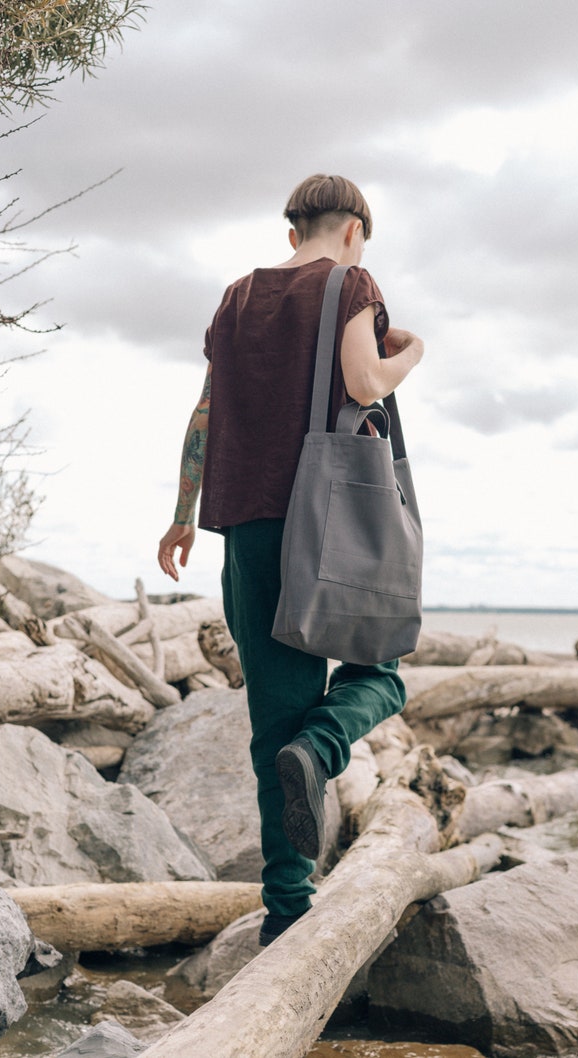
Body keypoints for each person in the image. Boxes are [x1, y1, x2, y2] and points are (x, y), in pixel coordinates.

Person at [158, 174, 424, 946]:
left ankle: (286, 915)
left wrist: (181, 516)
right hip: (329, 519)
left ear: (290, 232)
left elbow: (205, 411)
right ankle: (325, 744)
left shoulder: (236, 297)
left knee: (271, 722)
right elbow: (362, 380)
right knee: (381, 669)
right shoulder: (353, 282)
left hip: (244, 526)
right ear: (352, 232)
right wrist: (411, 352)